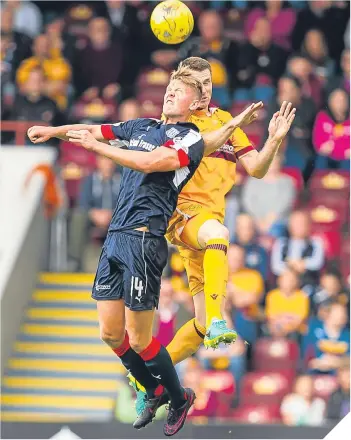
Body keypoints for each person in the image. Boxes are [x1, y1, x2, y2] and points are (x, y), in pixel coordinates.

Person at [28, 69, 262, 436]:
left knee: (139, 338)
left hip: (145, 238)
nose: (170, 94)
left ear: (194, 103)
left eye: (179, 91)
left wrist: (100, 150)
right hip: (116, 237)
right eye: (169, 88)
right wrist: (54, 132)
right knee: (109, 333)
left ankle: (178, 397)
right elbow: (96, 129)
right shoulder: (141, 126)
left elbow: (150, 163)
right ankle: (152, 389)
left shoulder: (190, 138)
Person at [128, 58, 295, 415]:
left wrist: (274, 141)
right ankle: (221, 319)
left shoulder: (226, 123)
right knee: (220, 234)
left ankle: (147, 376)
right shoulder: (177, 122)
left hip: (205, 231)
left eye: (208, 83)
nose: (204, 90)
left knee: (201, 325)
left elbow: (257, 169)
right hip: (183, 216)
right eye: (197, 83)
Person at [242, 153, 297, 238]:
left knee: (276, 229)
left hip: (279, 219)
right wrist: (258, 219)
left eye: (274, 161)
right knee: (244, 224)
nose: (272, 165)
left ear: (279, 163)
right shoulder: (252, 181)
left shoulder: (287, 182)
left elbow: (286, 202)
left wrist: (271, 219)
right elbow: (248, 202)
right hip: (255, 219)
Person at [271, 210, 325, 294]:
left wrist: (302, 264)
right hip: (285, 286)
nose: (299, 226)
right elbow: (276, 266)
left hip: (308, 284)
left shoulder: (316, 243)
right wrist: (293, 270)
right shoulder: (281, 243)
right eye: (296, 223)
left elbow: (317, 263)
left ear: (308, 225)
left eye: (302, 223)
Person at [265, 269, 310, 338]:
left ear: (297, 282)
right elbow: (272, 317)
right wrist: (289, 318)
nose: (289, 283)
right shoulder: (272, 295)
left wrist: (282, 318)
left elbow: (299, 319)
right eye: (286, 280)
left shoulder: (302, 297)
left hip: (296, 331)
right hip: (277, 329)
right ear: (279, 281)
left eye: (292, 280)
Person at [312, 87, 350, 169]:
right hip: (327, 157)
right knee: (320, 160)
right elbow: (319, 144)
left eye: (343, 100)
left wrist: (334, 146)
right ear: (330, 102)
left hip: (347, 159)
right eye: (337, 100)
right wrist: (342, 149)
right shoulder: (322, 117)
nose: (340, 103)